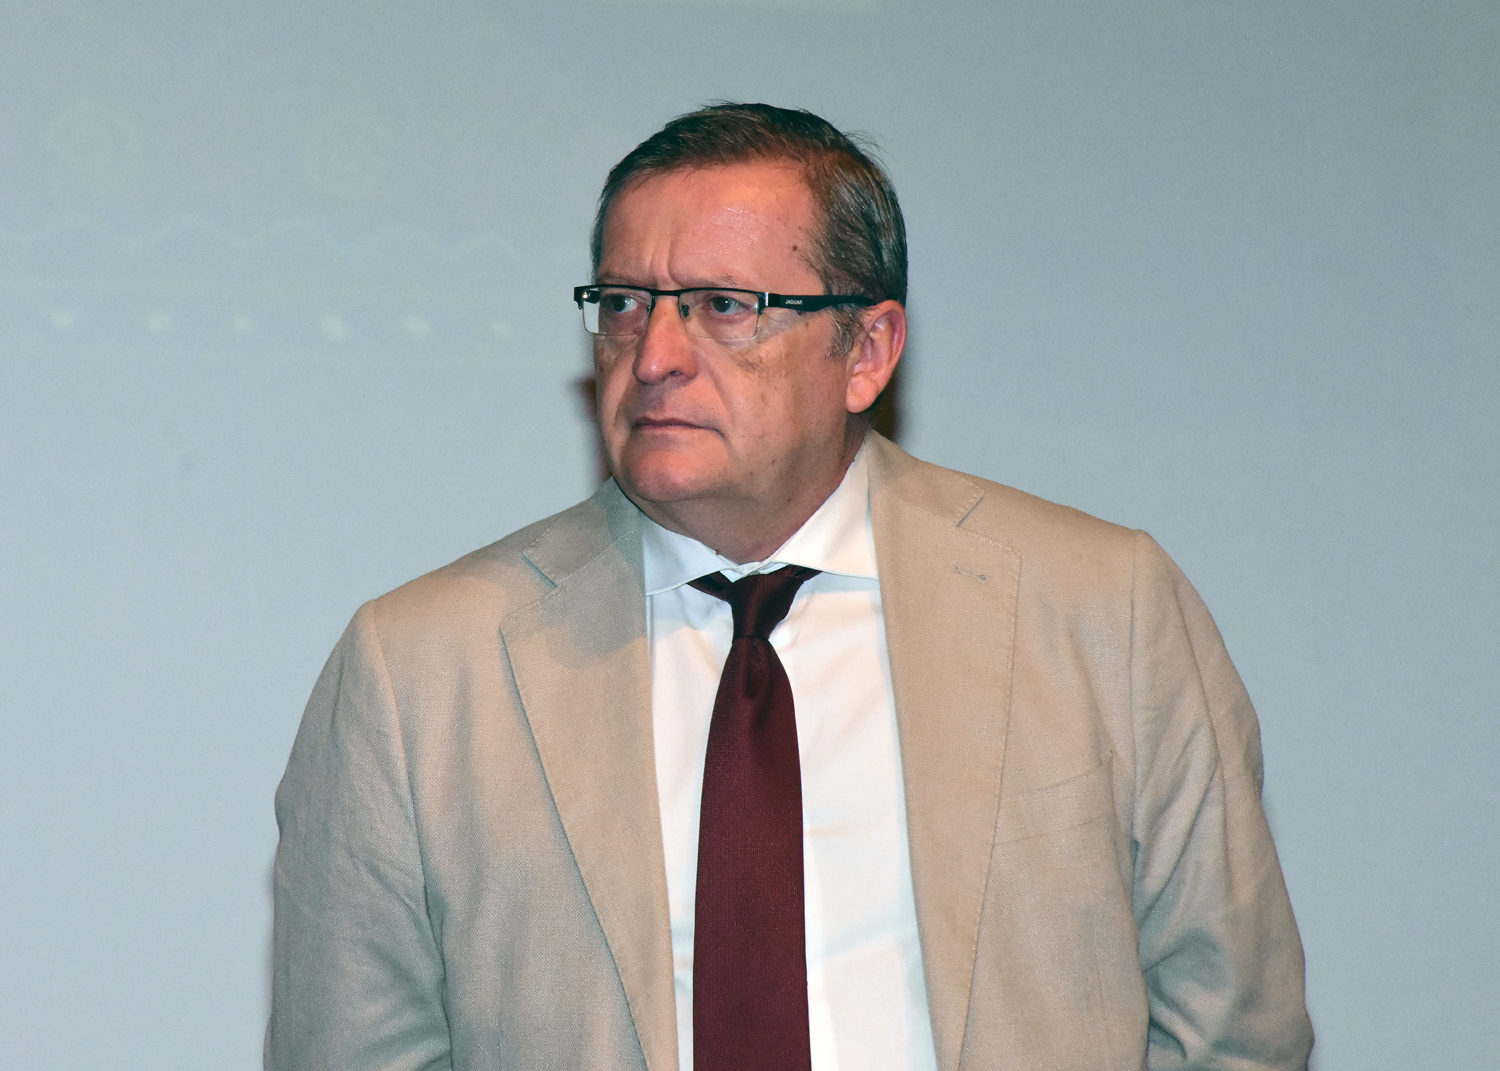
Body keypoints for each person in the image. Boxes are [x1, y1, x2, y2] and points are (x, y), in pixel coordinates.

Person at [268, 103, 1313, 1071]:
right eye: (625, 305)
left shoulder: (1101, 609)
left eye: (725, 306)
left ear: (867, 350)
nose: (655, 355)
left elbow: (1234, 1031)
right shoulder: (422, 672)